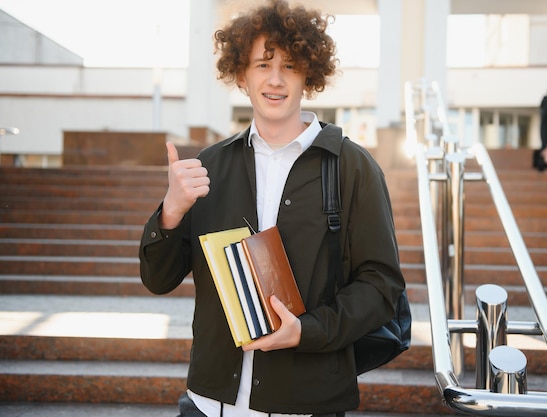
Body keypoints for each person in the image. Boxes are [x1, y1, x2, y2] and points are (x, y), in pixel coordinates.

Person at [138, 1, 406, 416]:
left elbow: (381, 286)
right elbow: (158, 279)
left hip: (306, 403)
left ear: (309, 77)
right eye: (263, 65)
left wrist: (307, 331)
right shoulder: (210, 166)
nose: (276, 80)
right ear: (242, 76)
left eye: (291, 66)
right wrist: (170, 213)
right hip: (211, 404)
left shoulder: (353, 167)